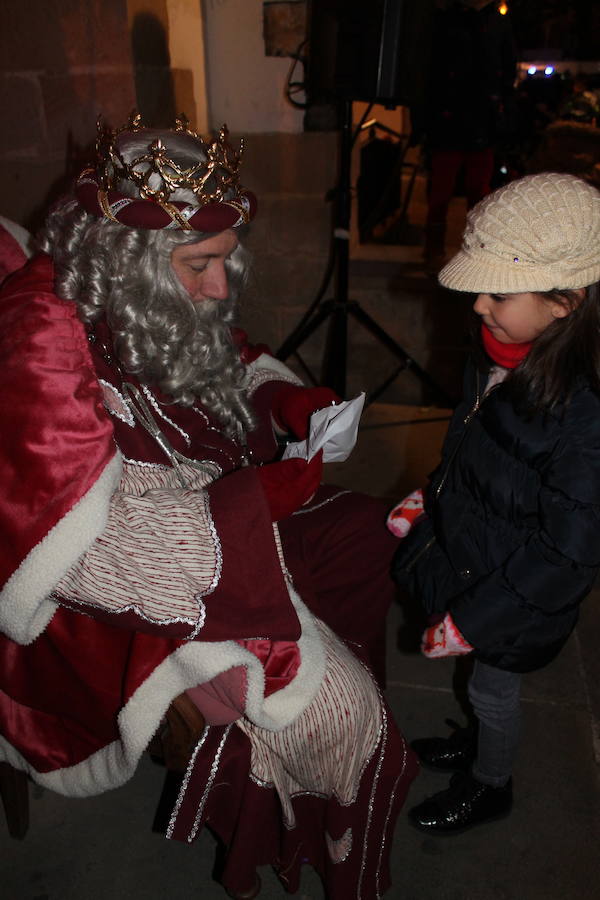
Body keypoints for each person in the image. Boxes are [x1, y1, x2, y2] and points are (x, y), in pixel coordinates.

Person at [0, 114, 418, 897]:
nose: (221, 286)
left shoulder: (132, 285)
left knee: (367, 534)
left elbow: (227, 352)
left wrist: (289, 401)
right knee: (336, 710)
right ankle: (316, 832)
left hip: (208, 507)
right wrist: (253, 498)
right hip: (113, 601)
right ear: (130, 257)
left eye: (225, 261)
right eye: (201, 265)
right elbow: (86, 551)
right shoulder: (38, 335)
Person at [391, 172, 600, 834]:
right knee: (481, 688)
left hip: (519, 593)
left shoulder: (586, 415)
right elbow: (476, 445)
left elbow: (569, 554)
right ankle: (478, 742)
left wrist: (475, 622)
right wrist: (434, 494)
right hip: (482, 553)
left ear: (565, 300)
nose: (480, 304)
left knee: (492, 689)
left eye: (499, 292)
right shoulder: (507, 352)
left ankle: (491, 781)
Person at [414, 0, 517, 274]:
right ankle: (433, 250)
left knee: (479, 191)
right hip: (449, 118)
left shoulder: (497, 20)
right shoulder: (444, 19)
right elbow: (429, 68)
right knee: (441, 190)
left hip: (482, 118)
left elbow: (506, 68)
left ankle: (477, 249)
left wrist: (500, 111)